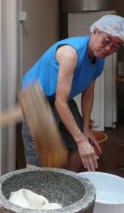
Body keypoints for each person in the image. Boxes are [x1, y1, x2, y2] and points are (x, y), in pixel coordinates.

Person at [22, 14, 124, 172]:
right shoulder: (70, 53)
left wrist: (85, 130)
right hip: (36, 97)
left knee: (80, 145)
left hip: (60, 97)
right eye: (106, 40)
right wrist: (81, 141)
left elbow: (88, 93)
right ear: (95, 32)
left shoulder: (99, 57)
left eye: (115, 46)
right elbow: (60, 103)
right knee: (39, 156)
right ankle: (34, 190)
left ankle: (66, 185)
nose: (108, 49)